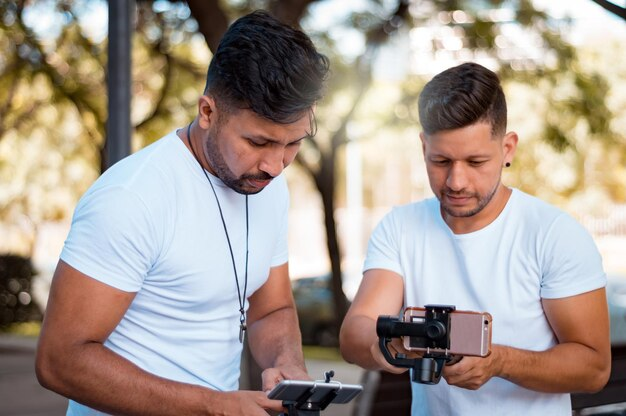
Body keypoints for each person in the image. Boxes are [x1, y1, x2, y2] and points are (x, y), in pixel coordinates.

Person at [35, 10, 329, 416]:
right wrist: (214, 406)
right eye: (259, 142)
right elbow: (60, 361)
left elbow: (271, 308)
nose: (276, 165)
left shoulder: (267, 188)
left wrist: (287, 364)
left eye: (292, 143)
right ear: (207, 112)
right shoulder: (131, 198)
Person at [339, 62, 611, 415]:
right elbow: (354, 333)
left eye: (475, 161)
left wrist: (499, 361)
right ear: (423, 147)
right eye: (441, 160)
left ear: (508, 148)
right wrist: (394, 347)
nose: (456, 181)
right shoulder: (400, 227)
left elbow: (594, 367)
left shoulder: (553, 234)